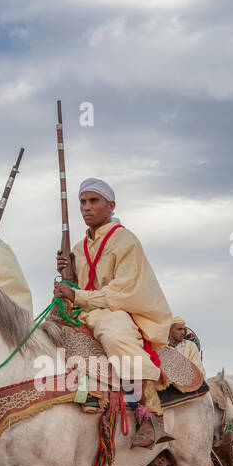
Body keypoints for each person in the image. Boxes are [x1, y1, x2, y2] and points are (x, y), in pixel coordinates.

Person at [53, 178, 174, 447]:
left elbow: (124, 288)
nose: (86, 207)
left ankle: (149, 416)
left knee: (114, 336)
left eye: (93, 201)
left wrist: (79, 295)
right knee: (44, 333)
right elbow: (77, 287)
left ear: (111, 205)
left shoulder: (125, 241)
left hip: (120, 310)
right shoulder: (78, 247)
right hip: (87, 311)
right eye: (82, 202)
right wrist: (67, 278)